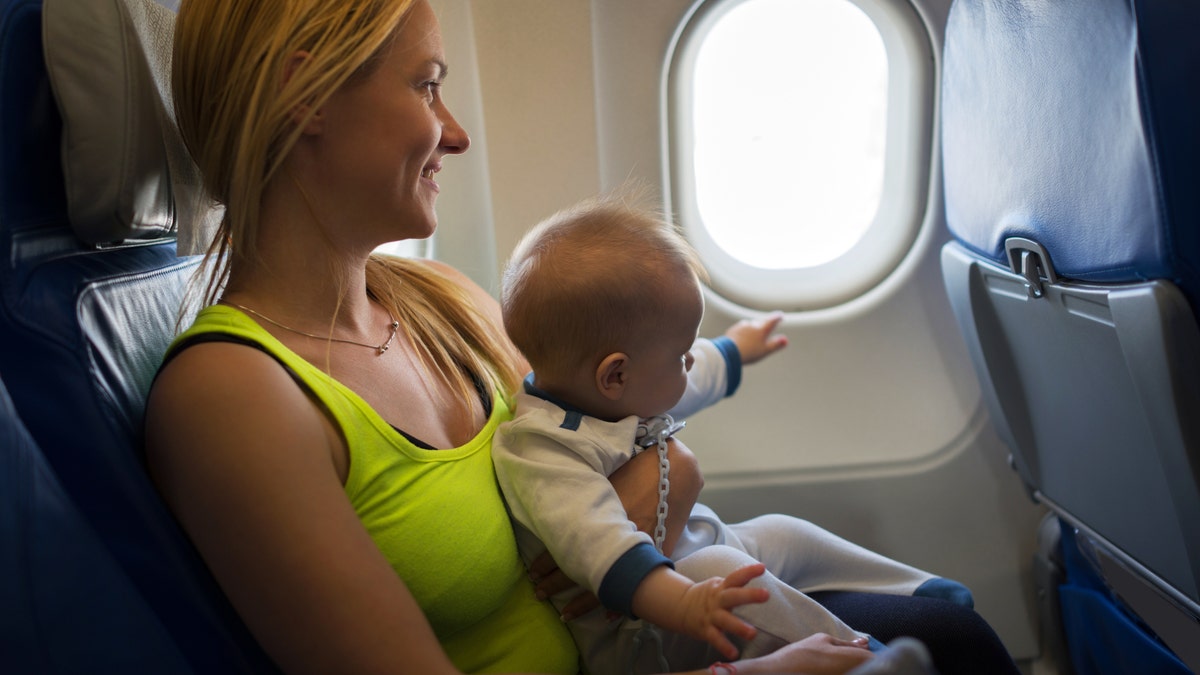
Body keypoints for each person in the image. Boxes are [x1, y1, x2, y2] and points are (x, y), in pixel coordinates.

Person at [144, 1, 890, 674]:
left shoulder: (448, 304)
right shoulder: (232, 397)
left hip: (646, 638)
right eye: (426, 85)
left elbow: (628, 429)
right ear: (305, 96)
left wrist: (663, 471)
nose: (458, 133)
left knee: (945, 631)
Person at [493, 195, 975, 674]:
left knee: (784, 532)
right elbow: (603, 547)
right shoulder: (542, 449)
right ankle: (865, 659)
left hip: (697, 543)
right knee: (722, 567)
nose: (689, 360)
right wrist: (686, 604)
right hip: (645, 624)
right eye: (682, 353)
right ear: (615, 375)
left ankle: (917, 588)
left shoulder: (608, 389)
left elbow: (691, 377)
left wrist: (734, 350)